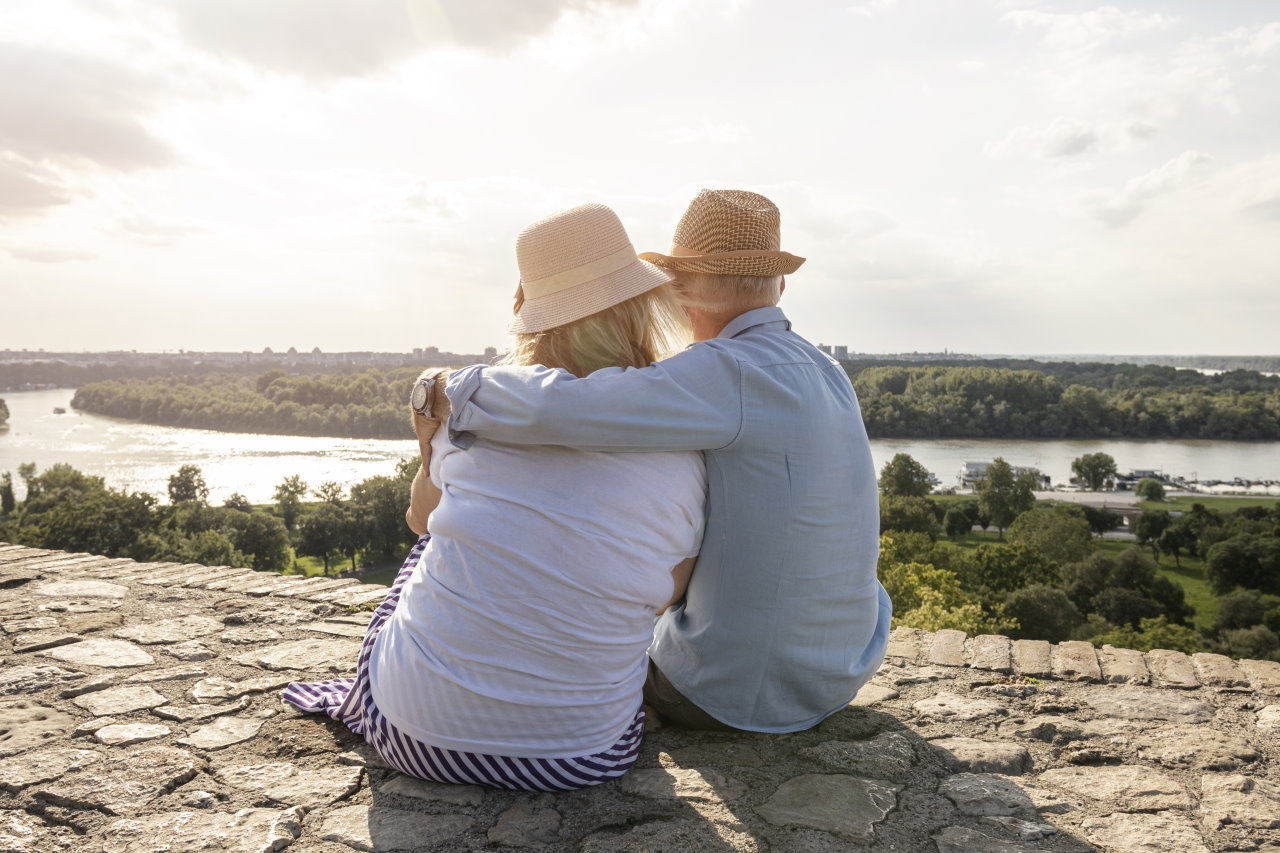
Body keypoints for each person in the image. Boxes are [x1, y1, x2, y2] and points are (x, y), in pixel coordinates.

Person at [283, 203, 707, 791]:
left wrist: (428, 440)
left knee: (426, 551)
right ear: (639, 309)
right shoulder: (684, 444)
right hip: (581, 758)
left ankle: (401, 696)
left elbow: (419, 519)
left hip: (415, 740)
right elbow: (670, 592)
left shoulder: (476, 413)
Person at [443, 189, 891, 733]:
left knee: (597, 648)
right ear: (780, 283)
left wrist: (448, 389)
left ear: (679, 287)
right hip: (841, 670)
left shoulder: (724, 372)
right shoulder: (826, 371)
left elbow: (559, 408)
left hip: (735, 689)